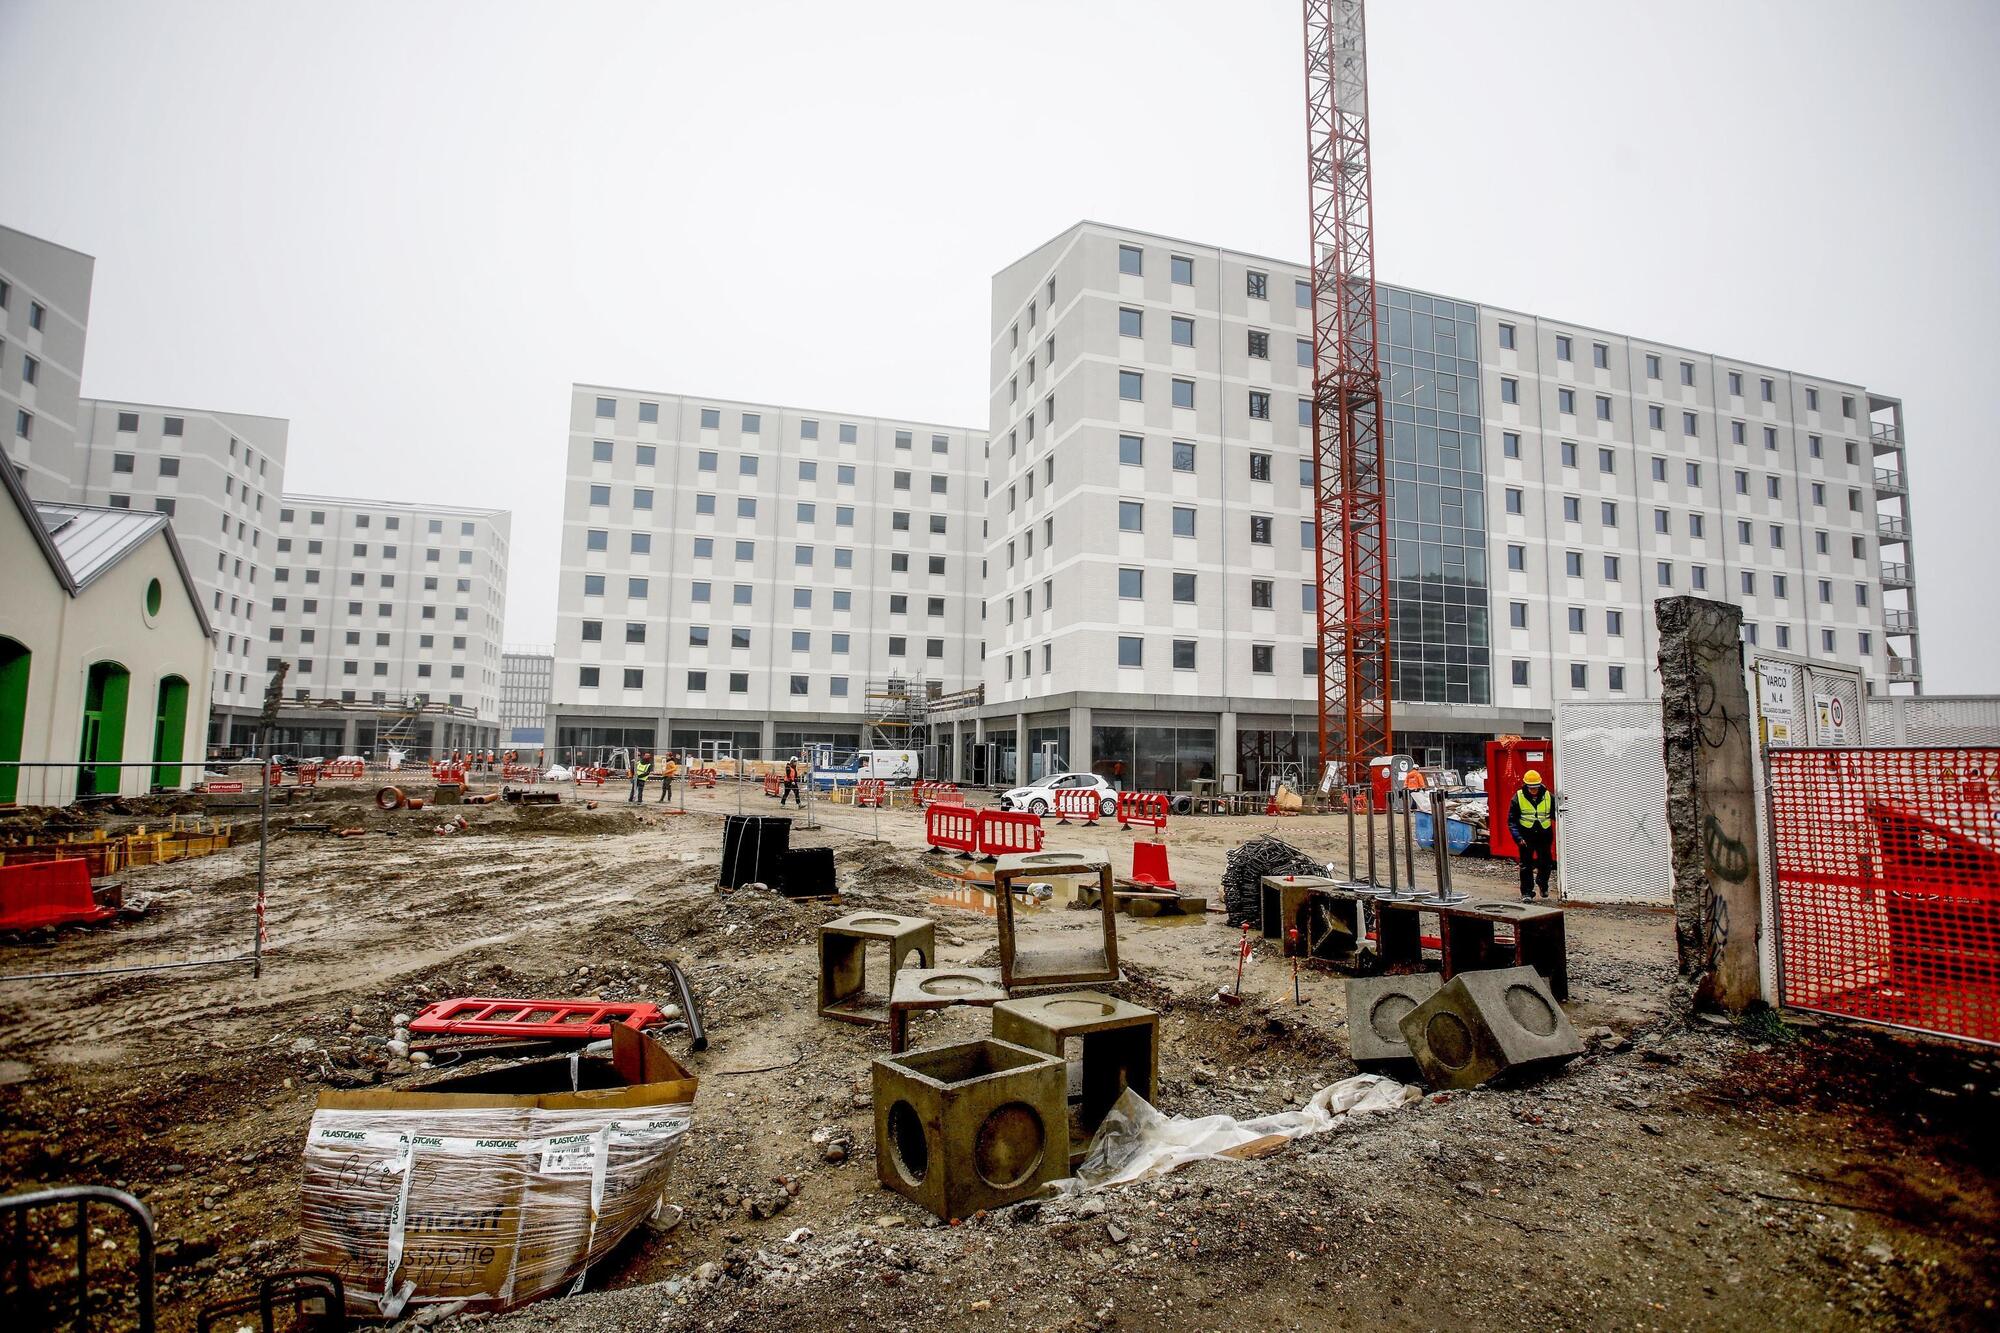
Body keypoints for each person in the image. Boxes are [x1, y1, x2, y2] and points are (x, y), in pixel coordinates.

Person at [1507, 769, 1557, 900]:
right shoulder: (1518, 797)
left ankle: (1542, 883)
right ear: (1526, 786)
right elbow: (1512, 820)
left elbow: (1557, 814)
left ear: (1540, 785)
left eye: (1536, 787)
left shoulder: (1548, 796)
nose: (1533, 790)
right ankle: (1527, 893)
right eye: (1531, 788)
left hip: (1544, 833)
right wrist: (1518, 837)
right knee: (1526, 865)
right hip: (1526, 835)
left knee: (1546, 863)